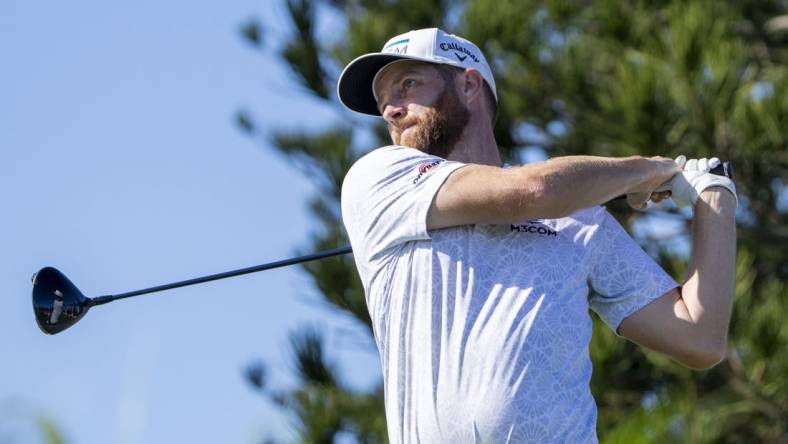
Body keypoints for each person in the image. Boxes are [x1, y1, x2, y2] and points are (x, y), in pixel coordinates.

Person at [337, 28, 737, 443]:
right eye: (384, 101)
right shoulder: (378, 178)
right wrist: (650, 169)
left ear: (468, 83)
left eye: (408, 85)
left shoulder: (579, 218)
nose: (391, 110)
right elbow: (533, 191)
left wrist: (715, 196)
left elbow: (698, 337)